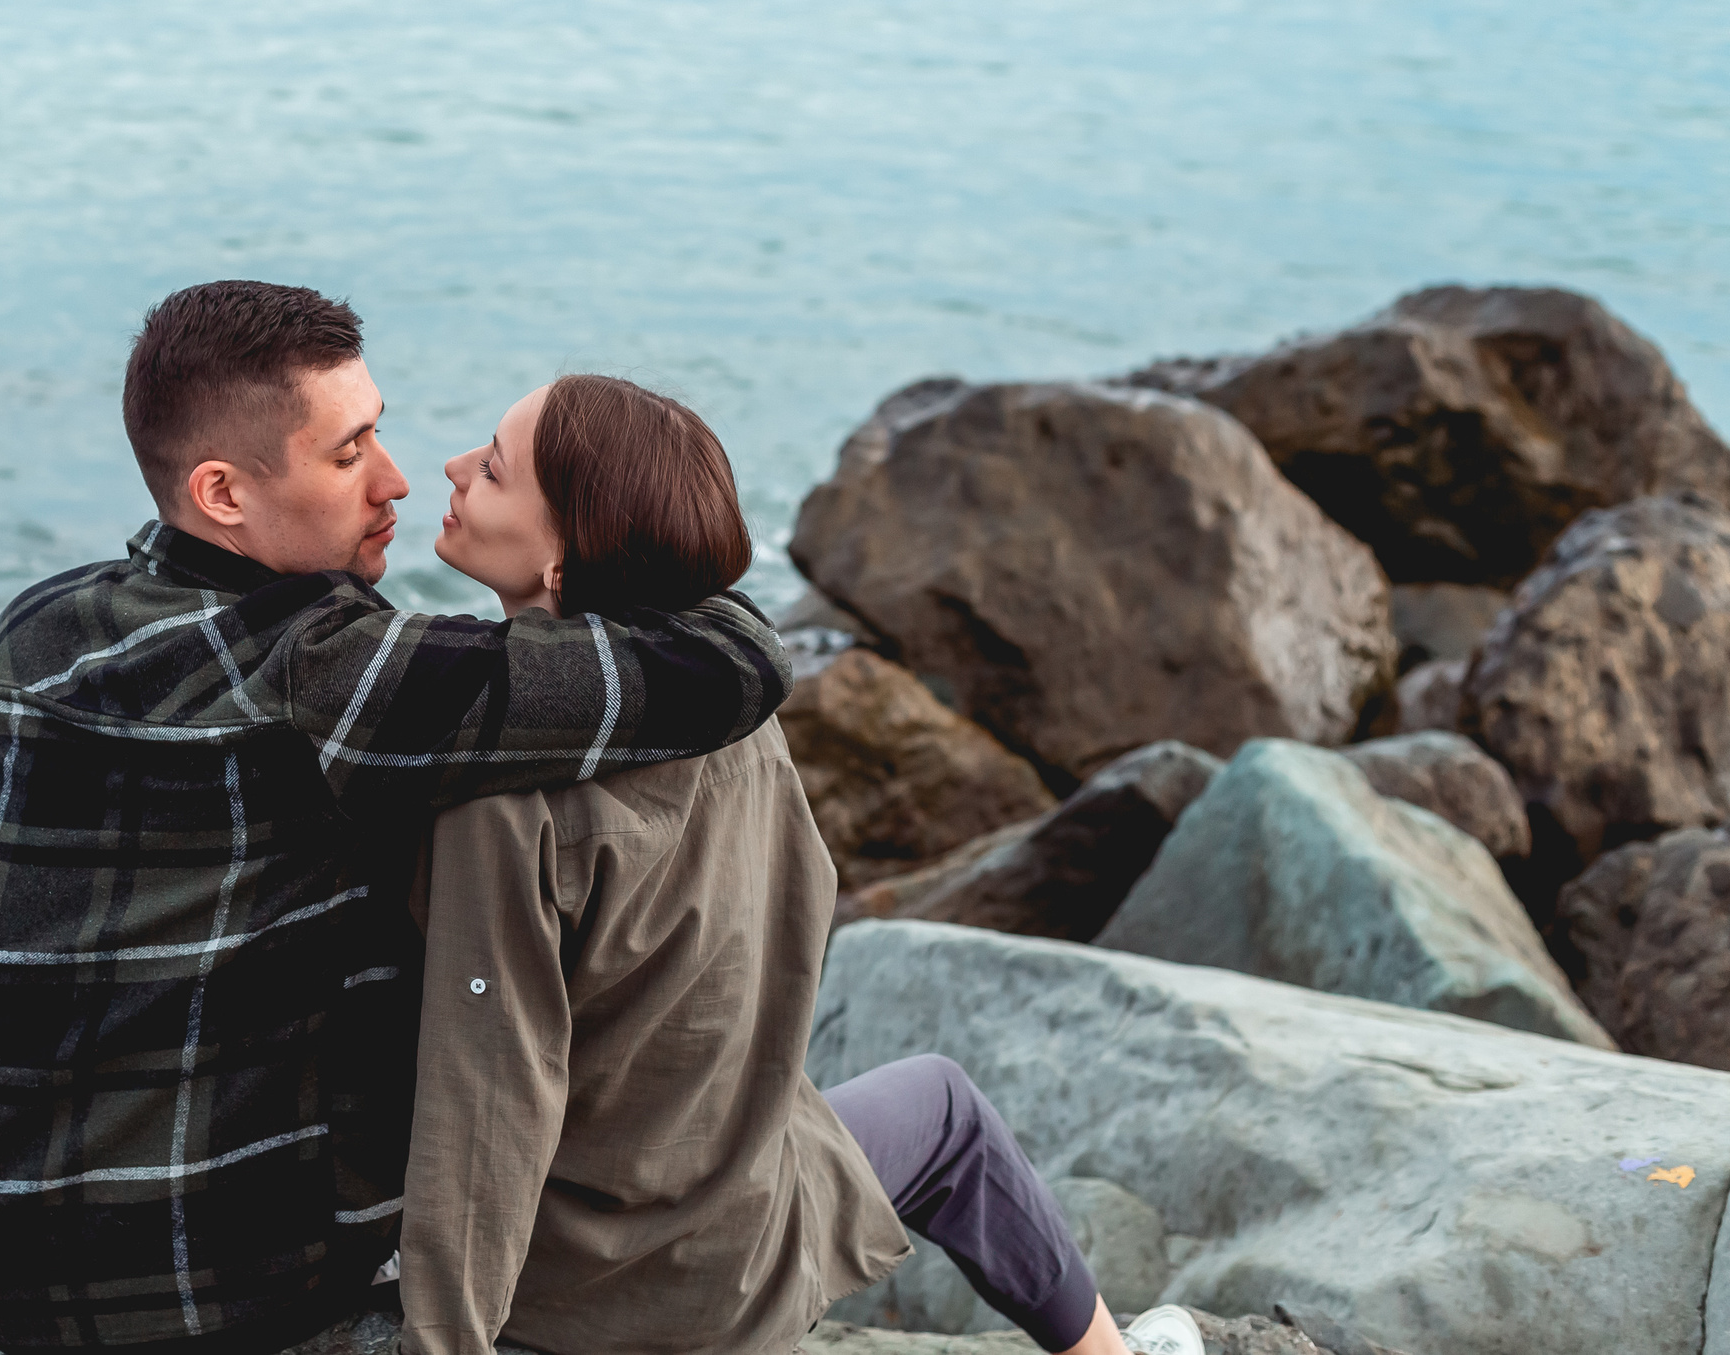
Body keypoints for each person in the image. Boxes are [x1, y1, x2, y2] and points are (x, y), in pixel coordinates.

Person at [0, 284, 800, 1355]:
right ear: (221, 492)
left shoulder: (38, 628)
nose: (395, 480)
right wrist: (660, 553)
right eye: (349, 455)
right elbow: (725, 667)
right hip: (173, 1285)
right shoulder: (327, 674)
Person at [398, 374, 1203, 1355]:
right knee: (943, 1108)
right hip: (744, 1245)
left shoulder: (499, 795)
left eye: (489, 467)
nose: (448, 469)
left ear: (563, 562)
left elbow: (488, 1109)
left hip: (588, 1304)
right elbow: (793, 922)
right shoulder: (735, 715)